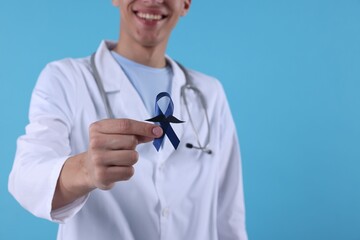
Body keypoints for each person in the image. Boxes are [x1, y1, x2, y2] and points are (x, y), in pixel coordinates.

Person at [9, 0, 248, 239]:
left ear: (185, 4)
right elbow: (25, 178)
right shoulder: (66, 79)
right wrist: (85, 170)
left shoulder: (209, 93)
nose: (153, 0)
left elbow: (229, 217)